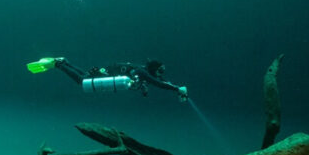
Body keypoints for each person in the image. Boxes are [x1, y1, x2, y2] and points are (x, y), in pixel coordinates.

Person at [27, 57, 188, 101]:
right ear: (154, 69)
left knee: (83, 78)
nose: (161, 73)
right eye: (160, 70)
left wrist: (175, 88)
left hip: (106, 73)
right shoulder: (143, 72)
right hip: (106, 75)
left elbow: (159, 82)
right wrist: (177, 89)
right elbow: (158, 83)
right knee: (82, 82)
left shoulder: (142, 72)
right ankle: (59, 64)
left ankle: (64, 62)